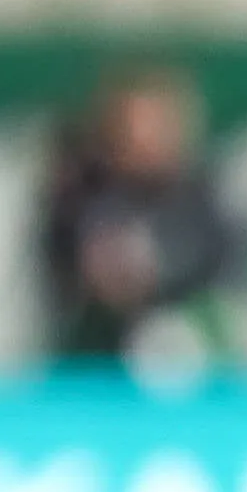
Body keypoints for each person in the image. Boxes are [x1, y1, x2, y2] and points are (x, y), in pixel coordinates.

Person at [38, 63, 232, 365]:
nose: (147, 138)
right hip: (97, 363)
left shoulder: (201, 200)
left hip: (190, 357)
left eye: (159, 125)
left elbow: (210, 264)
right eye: (136, 125)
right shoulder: (83, 198)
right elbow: (65, 261)